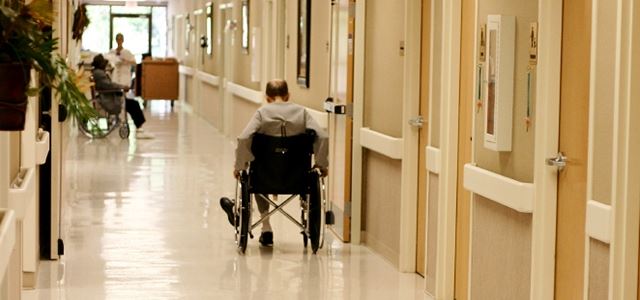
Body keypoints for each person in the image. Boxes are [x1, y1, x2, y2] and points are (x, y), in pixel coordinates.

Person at [220, 79, 328, 247]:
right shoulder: (302, 113)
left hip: (264, 178)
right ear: (287, 96)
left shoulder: (262, 114)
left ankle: (266, 227)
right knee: (265, 170)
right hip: (298, 178)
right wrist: (321, 164)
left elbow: (243, 138)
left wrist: (240, 167)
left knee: (255, 171)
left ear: (267, 97)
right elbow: (322, 136)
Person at [91, 54, 150, 139]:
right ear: (100, 64)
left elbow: (108, 85)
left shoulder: (98, 72)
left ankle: (139, 128)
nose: (105, 65)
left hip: (110, 95)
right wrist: (122, 87)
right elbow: (108, 85)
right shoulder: (99, 73)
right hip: (109, 98)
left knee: (132, 104)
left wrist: (121, 87)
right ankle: (139, 129)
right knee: (134, 104)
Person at [107, 33, 153, 139]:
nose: (119, 41)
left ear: (123, 40)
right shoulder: (112, 52)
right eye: (117, 39)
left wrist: (124, 61)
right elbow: (108, 63)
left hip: (124, 78)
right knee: (126, 101)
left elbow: (134, 62)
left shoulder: (127, 52)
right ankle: (122, 119)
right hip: (115, 80)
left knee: (126, 98)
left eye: (120, 39)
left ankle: (127, 121)